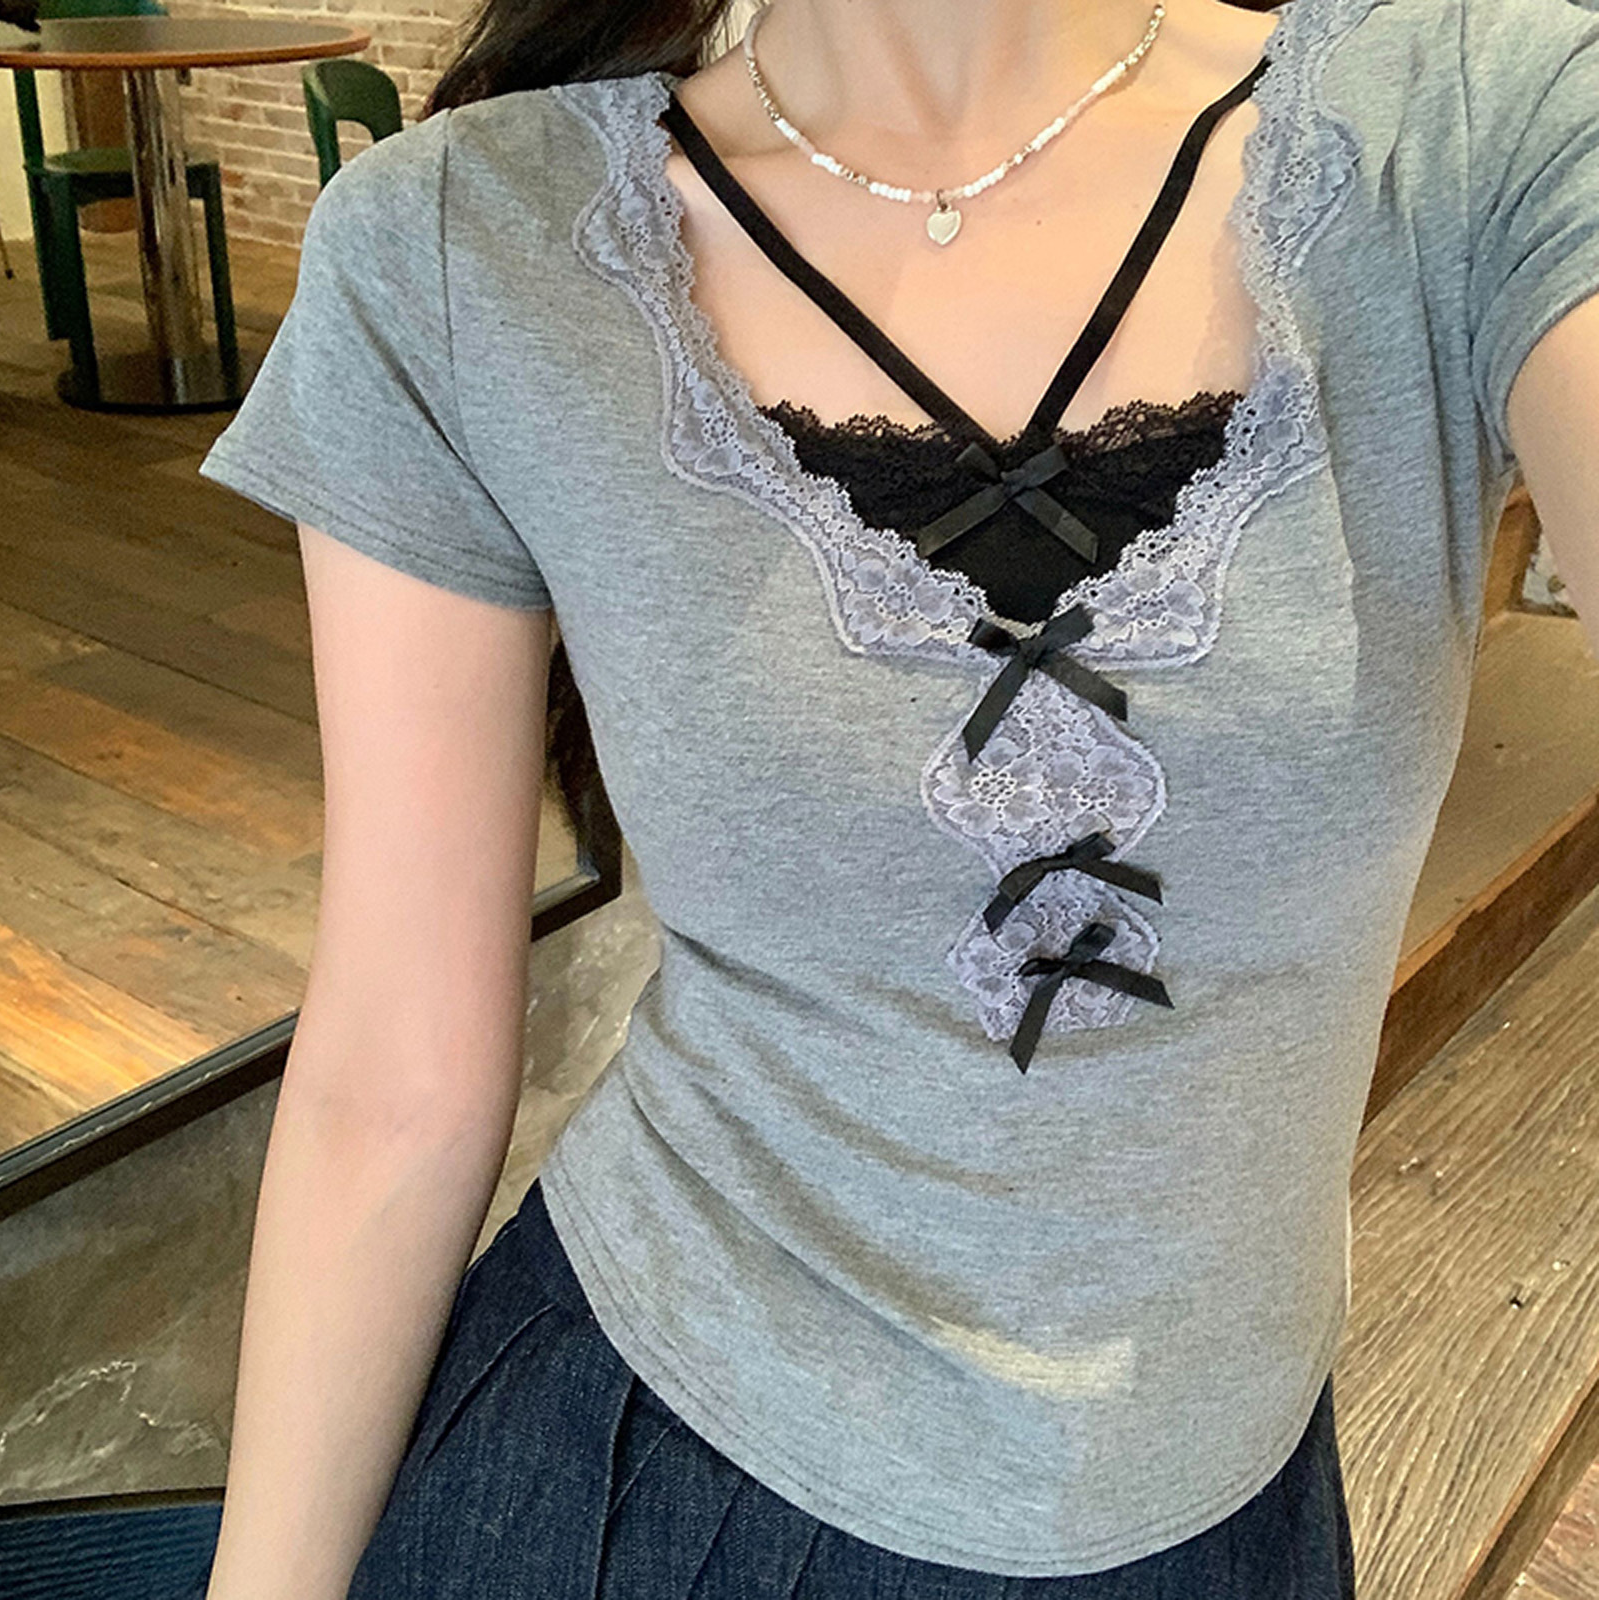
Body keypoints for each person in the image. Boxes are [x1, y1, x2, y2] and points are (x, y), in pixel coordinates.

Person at [188, 0, 1599, 1593]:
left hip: (1220, 1502)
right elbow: (393, 1079)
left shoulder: (1473, 128)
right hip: (633, 1474)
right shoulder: (457, 240)